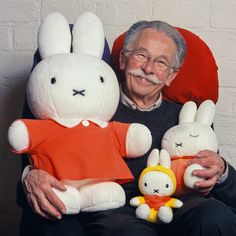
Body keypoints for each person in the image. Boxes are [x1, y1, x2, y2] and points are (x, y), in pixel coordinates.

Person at [20, 20, 236, 236]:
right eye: (141, 55)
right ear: (123, 59)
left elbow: (217, 178)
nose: (148, 68)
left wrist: (221, 170)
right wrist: (30, 174)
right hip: (114, 209)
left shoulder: (188, 118)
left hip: (178, 205)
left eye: (161, 62)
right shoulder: (90, 108)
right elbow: (45, 153)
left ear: (172, 76)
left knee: (216, 217)